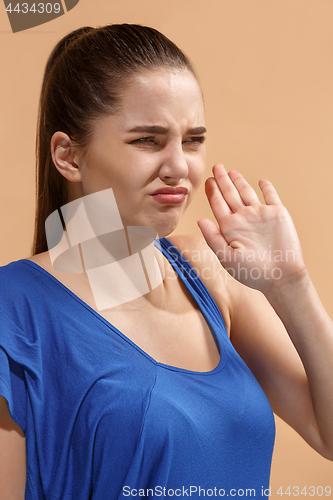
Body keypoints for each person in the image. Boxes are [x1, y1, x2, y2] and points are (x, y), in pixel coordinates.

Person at [0, 24, 332, 500]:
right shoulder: (14, 311)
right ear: (68, 156)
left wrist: (291, 284)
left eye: (193, 139)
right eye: (148, 141)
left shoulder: (209, 272)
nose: (179, 166)